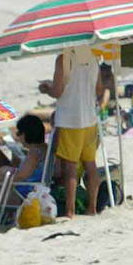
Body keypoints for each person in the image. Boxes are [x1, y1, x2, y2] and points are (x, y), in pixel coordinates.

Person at [40, 47, 100, 218]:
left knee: (70, 166)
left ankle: (70, 210)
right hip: (90, 118)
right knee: (90, 163)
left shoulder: (63, 59)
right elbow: (99, 88)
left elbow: (57, 91)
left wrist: (46, 88)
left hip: (70, 119)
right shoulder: (93, 56)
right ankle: (92, 208)